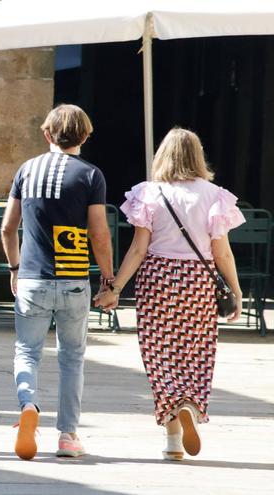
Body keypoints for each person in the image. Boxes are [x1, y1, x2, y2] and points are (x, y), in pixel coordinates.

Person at [94, 128, 244, 461]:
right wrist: (235, 290)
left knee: (160, 355)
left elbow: (137, 248)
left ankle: (174, 438)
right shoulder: (215, 195)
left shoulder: (149, 193)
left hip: (158, 279)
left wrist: (116, 287)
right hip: (198, 282)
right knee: (196, 352)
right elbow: (223, 253)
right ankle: (190, 404)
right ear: (197, 156)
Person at [0, 104, 113, 460]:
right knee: (72, 358)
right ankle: (67, 435)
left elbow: (7, 227)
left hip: (32, 276)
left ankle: (28, 404)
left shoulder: (27, 170)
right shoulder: (91, 175)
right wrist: (108, 279)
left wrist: (14, 268)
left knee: (27, 351)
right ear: (85, 135)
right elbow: (99, 235)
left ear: (47, 134)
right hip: (73, 278)